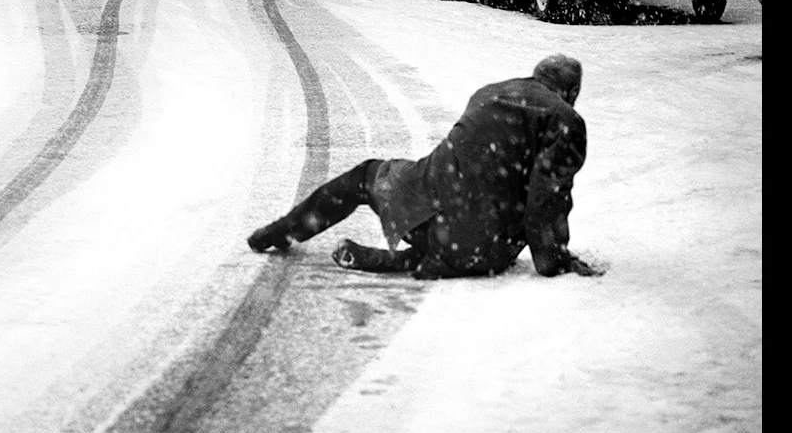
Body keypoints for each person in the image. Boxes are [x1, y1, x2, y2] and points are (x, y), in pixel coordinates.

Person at [247, 55, 602, 280]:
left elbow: (469, 161)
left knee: (364, 178)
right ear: (570, 92)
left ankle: (279, 232)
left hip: (422, 206)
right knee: (458, 240)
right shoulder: (566, 120)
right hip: (485, 247)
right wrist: (552, 261)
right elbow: (548, 196)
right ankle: (418, 259)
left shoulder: (489, 92)